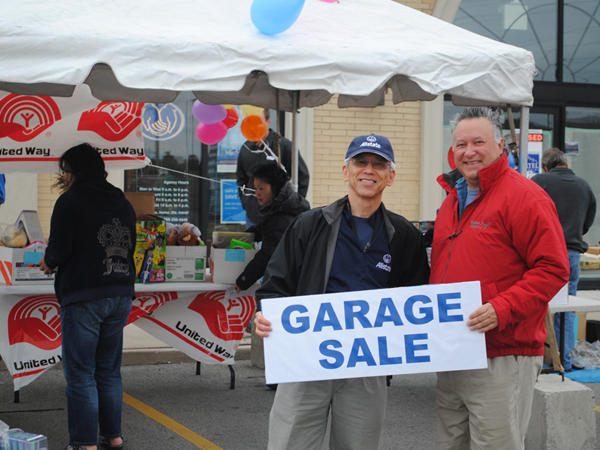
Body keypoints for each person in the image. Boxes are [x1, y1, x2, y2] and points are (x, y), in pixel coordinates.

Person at [255, 134, 430, 450]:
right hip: (306, 360)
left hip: (367, 366)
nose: (369, 169)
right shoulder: (309, 224)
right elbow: (275, 284)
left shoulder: (404, 235)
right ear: (345, 170)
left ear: (390, 176)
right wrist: (265, 314)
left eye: (379, 164)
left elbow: (415, 300)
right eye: (361, 161)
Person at [430, 107, 570, 450]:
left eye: (479, 141)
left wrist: (501, 308)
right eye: (461, 144)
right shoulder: (451, 200)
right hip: (455, 351)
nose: (469, 151)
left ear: (500, 146)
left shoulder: (525, 196)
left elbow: (553, 268)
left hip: (503, 351)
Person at [40, 143, 136, 450]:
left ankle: (84, 443)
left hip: (84, 295)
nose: (64, 176)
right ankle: (113, 436)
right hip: (120, 292)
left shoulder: (70, 202)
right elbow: (131, 244)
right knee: (108, 371)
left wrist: (48, 262)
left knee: (81, 374)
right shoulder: (121, 200)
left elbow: (59, 248)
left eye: (66, 170)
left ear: (77, 171)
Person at [532, 148, 596, 371]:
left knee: (536, 305)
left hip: (544, 253)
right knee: (567, 309)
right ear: (566, 165)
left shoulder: (540, 181)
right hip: (572, 254)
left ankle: (536, 362)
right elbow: (587, 223)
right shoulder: (584, 186)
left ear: (546, 167)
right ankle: (564, 362)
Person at [234, 162, 310, 293]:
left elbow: (267, 255)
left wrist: (244, 280)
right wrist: (234, 240)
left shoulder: (281, 218)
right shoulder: (281, 209)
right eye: (255, 188)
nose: (257, 193)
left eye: (261, 188)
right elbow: (260, 230)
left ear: (274, 188)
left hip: (291, 284)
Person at [236, 109, 310, 227]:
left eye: (258, 121)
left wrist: (293, 206)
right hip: (252, 217)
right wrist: (246, 203)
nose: (255, 125)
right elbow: (241, 179)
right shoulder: (246, 148)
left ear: (268, 121)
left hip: (278, 217)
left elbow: (302, 176)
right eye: (252, 121)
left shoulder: (283, 146)